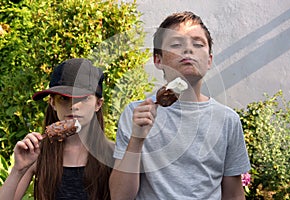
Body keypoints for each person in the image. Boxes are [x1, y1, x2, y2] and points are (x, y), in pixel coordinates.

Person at [109, 11, 251, 199]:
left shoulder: (227, 120)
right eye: (176, 44)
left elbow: (233, 194)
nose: (188, 50)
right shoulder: (136, 114)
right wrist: (137, 139)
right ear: (157, 60)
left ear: (209, 61)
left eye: (198, 44)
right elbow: (120, 196)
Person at [0, 58, 114, 200]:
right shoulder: (38, 152)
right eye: (64, 99)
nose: (73, 106)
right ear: (53, 103)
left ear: (98, 104)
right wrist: (18, 170)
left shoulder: (113, 154)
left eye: (83, 98)